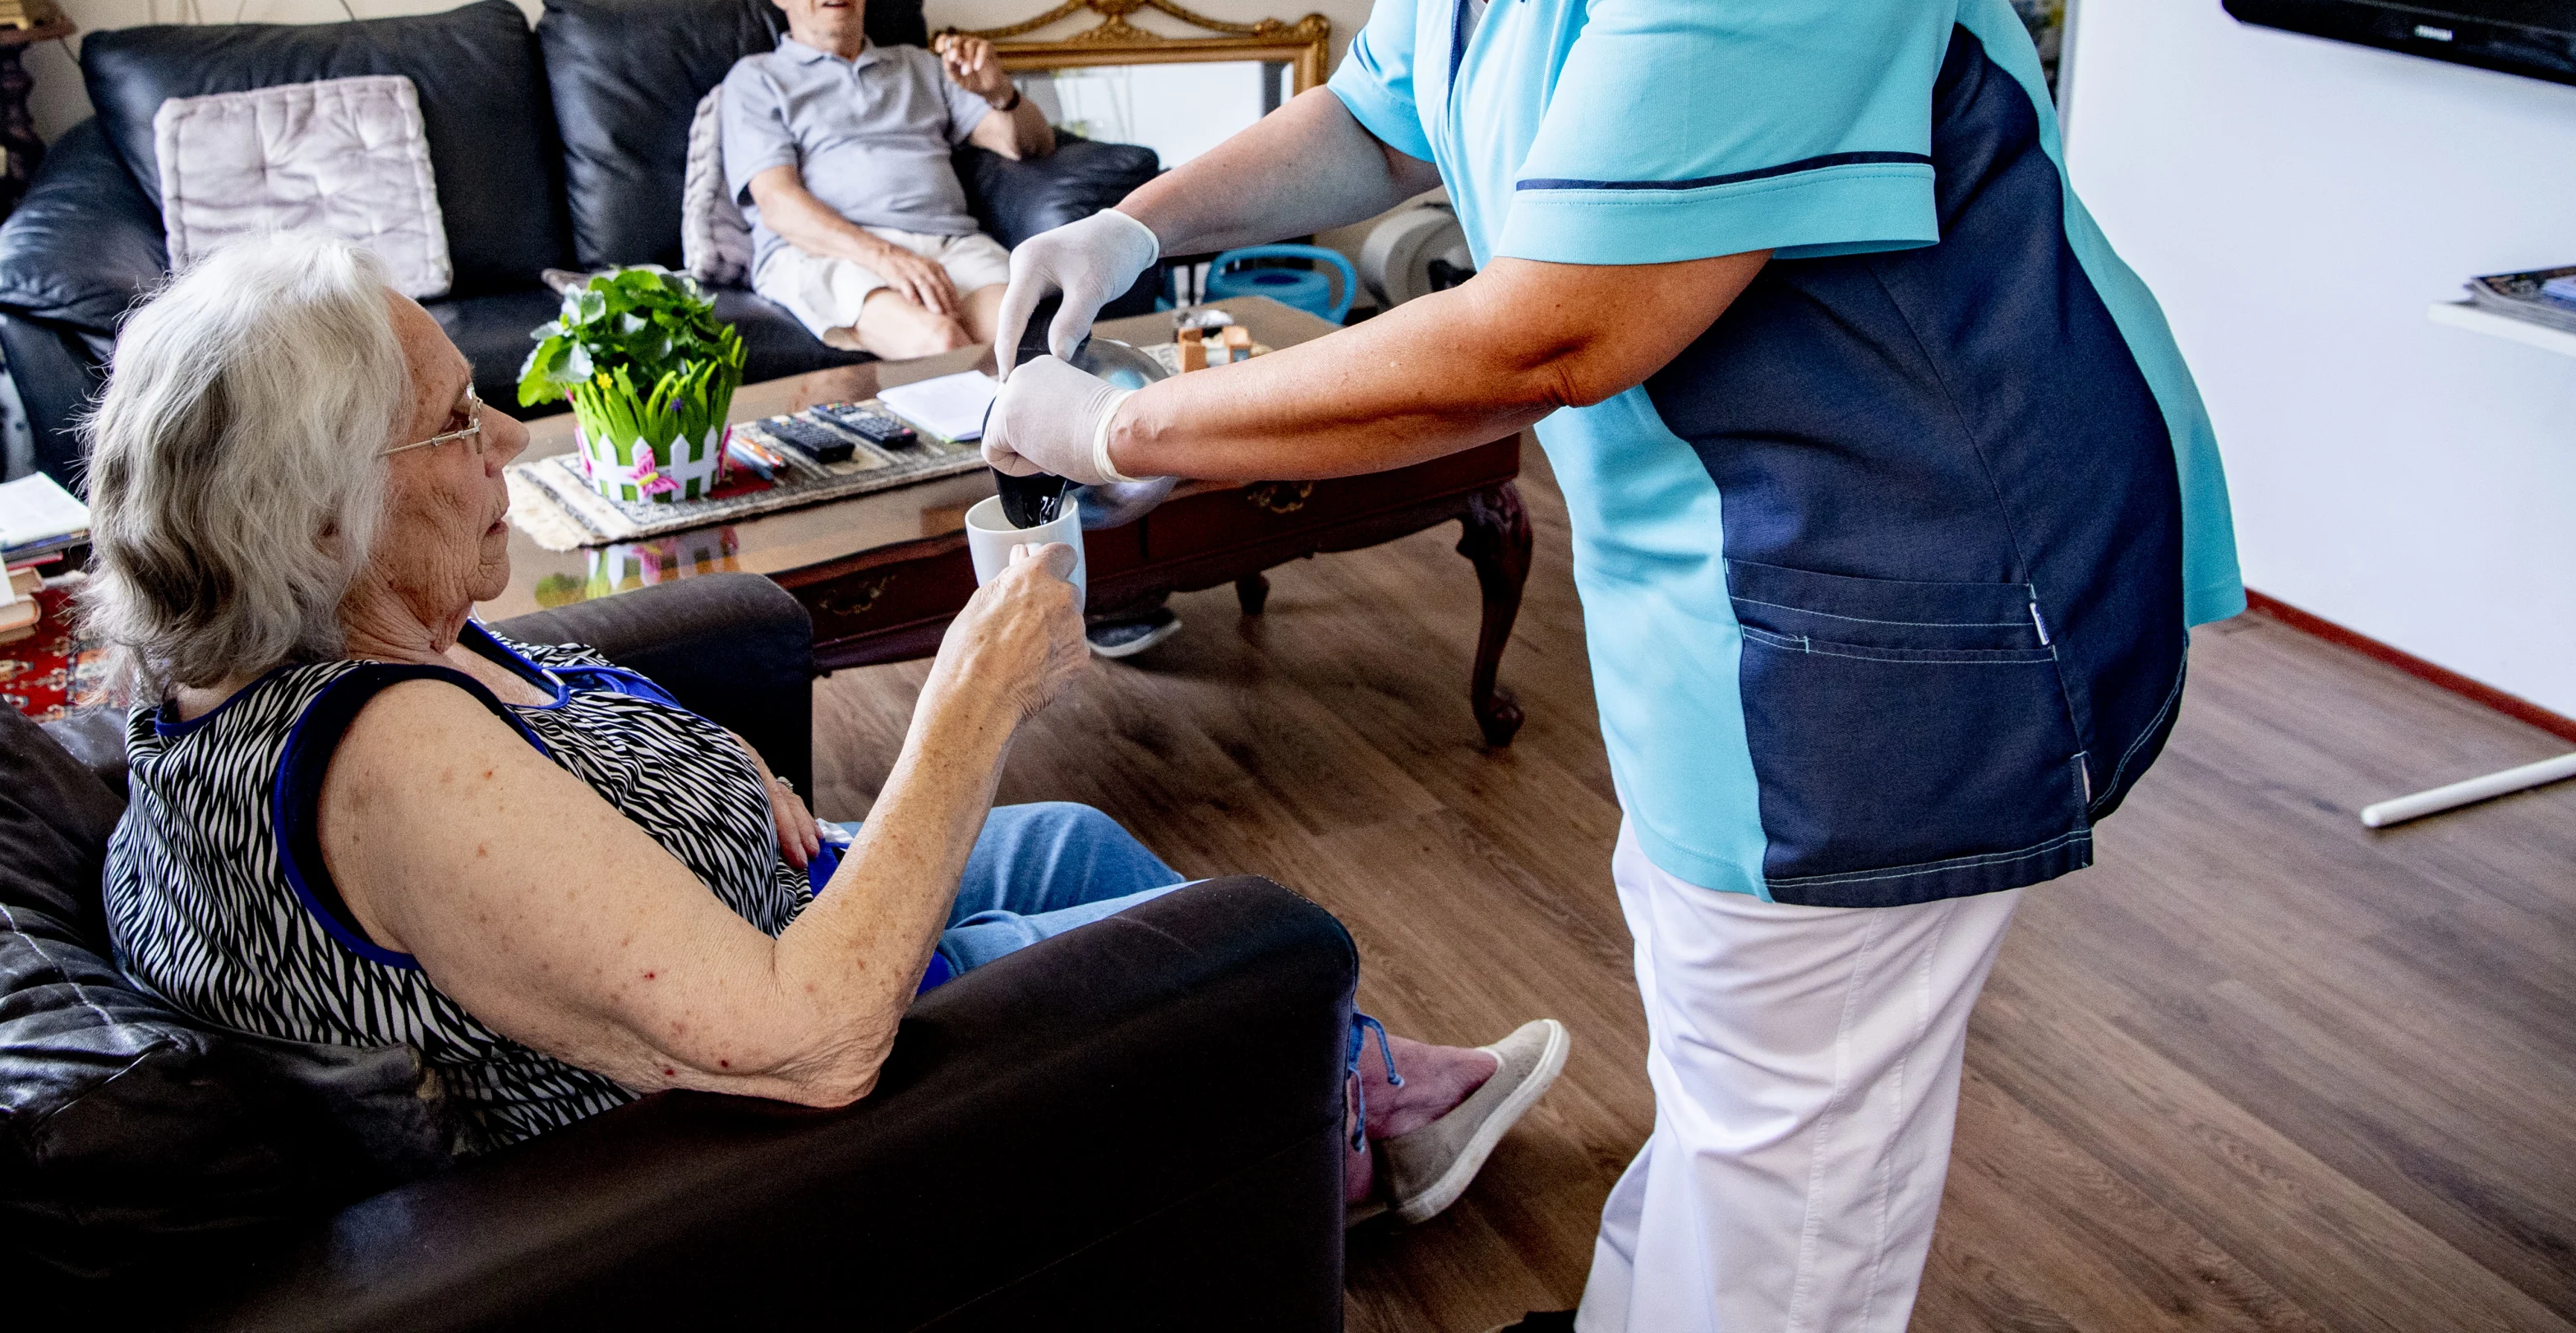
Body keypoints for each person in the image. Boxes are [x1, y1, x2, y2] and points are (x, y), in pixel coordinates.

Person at [986, 0, 2241, 1333]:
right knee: (1739, 1066)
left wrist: (1127, 421)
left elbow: (1553, 328)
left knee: (1794, 1146)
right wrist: (1125, 224)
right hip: (1723, 573)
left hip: (1908, 569)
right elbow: (1378, 114)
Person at [92, 234, 1562, 1220]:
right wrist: (964, 709)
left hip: (760, 902)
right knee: (1226, 948)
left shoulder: (291, 655)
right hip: (781, 1073)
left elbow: (529, 753)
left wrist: (706, 763)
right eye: (458, 421)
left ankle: (1338, 1093)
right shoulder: (383, 762)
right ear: (325, 510)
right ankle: (1343, 1131)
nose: (509, 441)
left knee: (1075, 841)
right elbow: (808, 1047)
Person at [721, 0, 1050, 358]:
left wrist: (1000, 92)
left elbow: (1027, 144)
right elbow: (778, 204)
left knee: (1029, 341)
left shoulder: (923, 66)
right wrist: (885, 258)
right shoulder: (758, 79)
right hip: (829, 251)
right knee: (940, 342)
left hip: (949, 242)